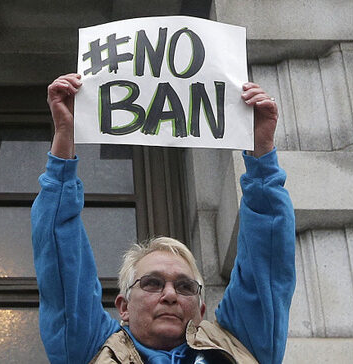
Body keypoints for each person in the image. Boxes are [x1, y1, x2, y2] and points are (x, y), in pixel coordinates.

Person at [31, 73, 296, 364]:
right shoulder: (89, 350)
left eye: (185, 287)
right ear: (124, 307)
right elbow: (61, 259)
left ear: (201, 310)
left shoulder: (238, 346)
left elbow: (268, 257)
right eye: (152, 283)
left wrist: (261, 151)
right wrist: (65, 136)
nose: (170, 295)